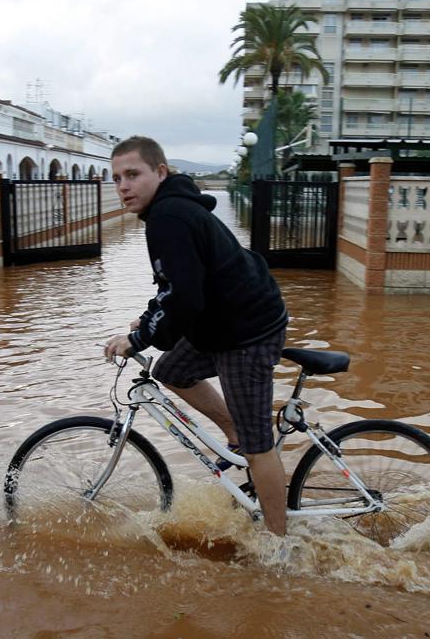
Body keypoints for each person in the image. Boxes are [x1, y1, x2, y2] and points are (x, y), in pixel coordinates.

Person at [103, 135, 290, 535]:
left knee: (260, 449)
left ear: (161, 172)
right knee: (172, 370)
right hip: (227, 322)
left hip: (247, 333)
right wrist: (149, 318)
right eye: (117, 177)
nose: (123, 186)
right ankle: (234, 433)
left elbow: (186, 298)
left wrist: (139, 340)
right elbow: (174, 285)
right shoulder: (168, 213)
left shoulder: (169, 217)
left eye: (133, 174)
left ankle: (279, 543)